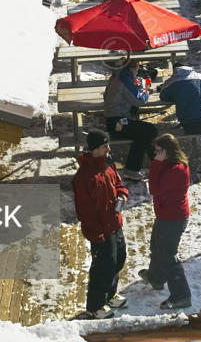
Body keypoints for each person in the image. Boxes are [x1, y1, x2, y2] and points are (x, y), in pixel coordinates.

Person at [71, 129, 129, 320]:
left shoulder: (108, 165)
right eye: (104, 146)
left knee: (118, 259)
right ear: (94, 149)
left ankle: (110, 295)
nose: (108, 149)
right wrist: (96, 233)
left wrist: (122, 195)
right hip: (100, 231)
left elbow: (120, 184)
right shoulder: (84, 177)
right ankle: (95, 307)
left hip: (115, 224)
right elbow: (85, 211)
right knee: (102, 267)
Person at [141, 134, 193, 309]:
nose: (155, 154)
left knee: (168, 255)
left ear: (167, 151)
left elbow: (154, 189)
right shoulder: (169, 164)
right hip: (165, 215)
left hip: (173, 219)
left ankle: (181, 295)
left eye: (158, 151)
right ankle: (155, 278)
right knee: (156, 245)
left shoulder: (177, 169)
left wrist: (155, 163)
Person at [103, 59, 159, 181]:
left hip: (114, 120)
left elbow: (107, 96)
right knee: (150, 130)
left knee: (144, 133)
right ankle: (153, 165)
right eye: (137, 70)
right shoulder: (124, 79)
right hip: (117, 122)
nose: (137, 73)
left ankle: (151, 165)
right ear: (132, 69)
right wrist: (146, 89)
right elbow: (140, 100)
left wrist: (140, 85)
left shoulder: (117, 77)